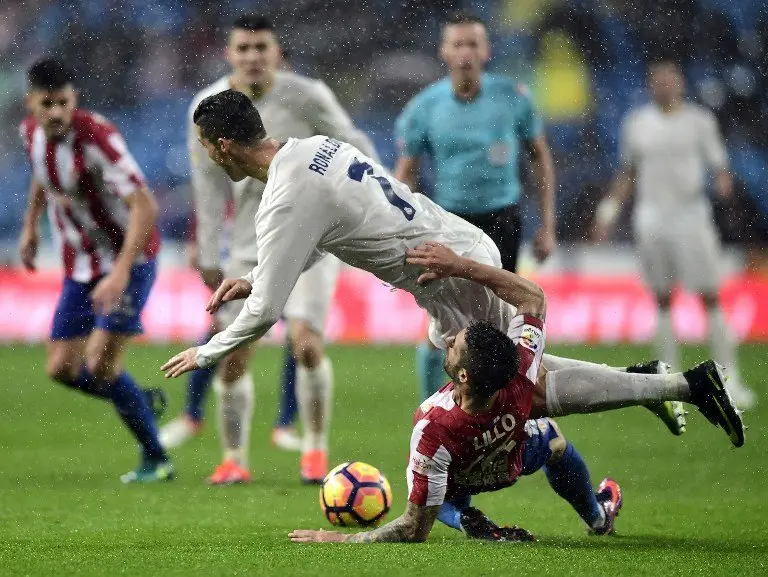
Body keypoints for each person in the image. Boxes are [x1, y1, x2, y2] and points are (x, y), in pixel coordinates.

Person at [160, 89, 744, 452]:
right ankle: (656, 381)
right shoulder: (317, 148)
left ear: (220, 146)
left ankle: (677, 386)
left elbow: (264, 313)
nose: (207, 156)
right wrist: (264, 273)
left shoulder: (284, 198)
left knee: (525, 393)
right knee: (528, 379)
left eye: (206, 147)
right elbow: (328, 236)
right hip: (457, 252)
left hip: (452, 276)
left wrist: (206, 353)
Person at [288, 244, 741, 544]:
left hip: (465, 473)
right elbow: (532, 297)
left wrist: (344, 539)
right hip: (511, 460)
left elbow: (411, 528)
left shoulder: (431, 425)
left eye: (455, 346)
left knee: (433, 490)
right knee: (554, 438)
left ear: (463, 377)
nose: (448, 342)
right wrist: (463, 266)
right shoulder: (519, 374)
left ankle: (466, 517)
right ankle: (599, 515)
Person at [159, 15, 378, 485]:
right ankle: (234, 458)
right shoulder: (206, 106)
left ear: (277, 52)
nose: (254, 56)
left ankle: (315, 451)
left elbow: (354, 143)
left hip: (314, 237)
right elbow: (209, 186)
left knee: (305, 344)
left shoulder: (308, 95)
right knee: (234, 352)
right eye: (245, 48)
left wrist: (375, 196)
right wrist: (209, 254)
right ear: (229, 54)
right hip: (247, 245)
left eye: (262, 47)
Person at [18, 58, 173, 483]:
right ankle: (140, 400)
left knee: (102, 367)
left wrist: (121, 272)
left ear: (74, 100)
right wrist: (30, 227)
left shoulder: (97, 139)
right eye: (47, 104)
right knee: (61, 369)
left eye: (63, 103)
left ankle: (157, 457)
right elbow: (41, 176)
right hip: (80, 264)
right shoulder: (30, 134)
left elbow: (145, 205)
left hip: (130, 260)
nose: (56, 113)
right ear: (31, 102)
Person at [394, 12, 556, 400]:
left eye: (473, 44)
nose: (465, 52)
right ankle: (432, 407)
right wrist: (399, 230)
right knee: (440, 320)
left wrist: (547, 224)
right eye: (458, 44)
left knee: (501, 321)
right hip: (450, 222)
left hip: (502, 220)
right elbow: (405, 174)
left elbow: (540, 157)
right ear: (444, 52)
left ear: (487, 50)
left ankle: (498, 405)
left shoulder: (513, 98)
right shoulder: (423, 108)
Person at [594, 59, 756, 408]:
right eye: (658, 80)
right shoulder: (638, 123)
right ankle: (668, 384)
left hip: (691, 214)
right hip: (651, 216)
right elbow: (627, 173)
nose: (664, 85)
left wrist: (724, 184)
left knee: (709, 295)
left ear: (680, 83)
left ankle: (730, 381)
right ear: (651, 85)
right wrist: (608, 210)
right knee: (662, 298)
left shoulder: (699, 121)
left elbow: (720, 166)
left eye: (669, 79)